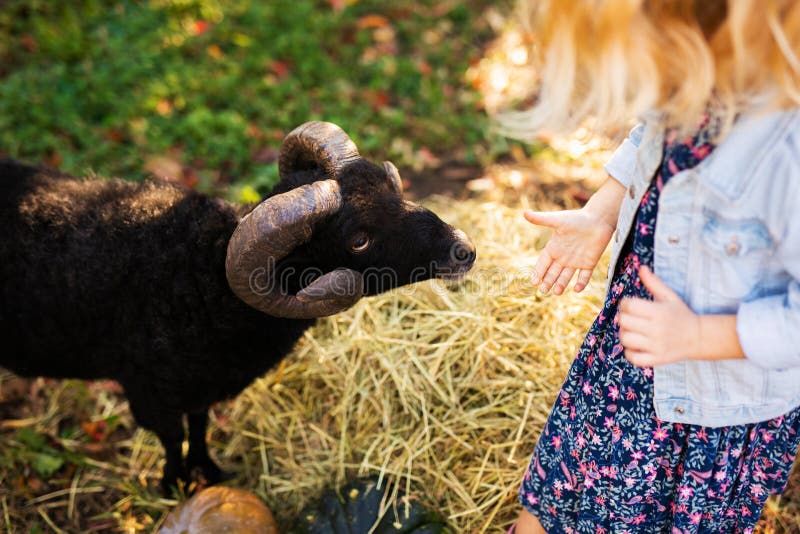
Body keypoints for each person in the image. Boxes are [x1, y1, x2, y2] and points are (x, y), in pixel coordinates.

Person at [498, 1, 800, 532]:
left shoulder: (787, 154)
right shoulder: (695, 82)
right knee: (552, 499)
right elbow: (649, 141)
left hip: (711, 405)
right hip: (628, 359)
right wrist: (601, 212)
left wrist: (704, 336)